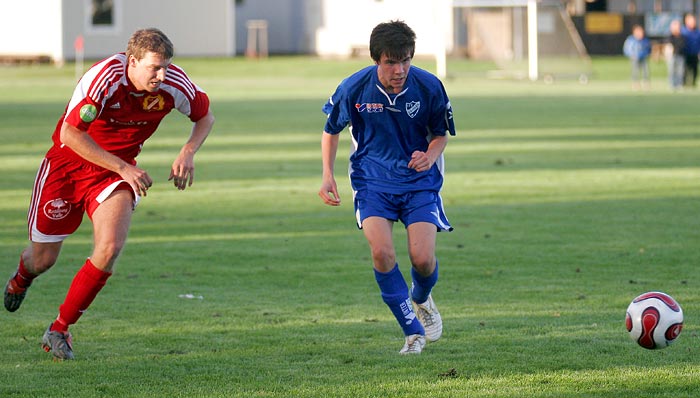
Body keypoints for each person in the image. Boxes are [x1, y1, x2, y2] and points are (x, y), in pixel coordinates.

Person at [3, 28, 215, 360]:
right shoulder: (104, 79)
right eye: (155, 68)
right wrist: (123, 167)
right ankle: (21, 277)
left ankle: (59, 329)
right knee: (43, 259)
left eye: (167, 67)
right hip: (66, 168)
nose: (162, 76)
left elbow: (205, 117)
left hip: (114, 176)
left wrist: (187, 152)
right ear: (132, 62)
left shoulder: (174, 84)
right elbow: (69, 134)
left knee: (110, 247)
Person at [318, 20, 455, 355]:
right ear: (376, 60)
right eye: (392, 62)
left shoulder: (428, 86)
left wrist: (429, 155)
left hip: (418, 181)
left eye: (406, 60)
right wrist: (327, 174)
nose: (400, 69)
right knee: (381, 252)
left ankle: (422, 298)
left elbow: (440, 135)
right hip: (372, 180)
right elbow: (330, 129)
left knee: (422, 259)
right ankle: (413, 333)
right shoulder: (354, 88)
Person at [622, 24, 651, 89]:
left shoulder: (645, 40)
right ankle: (635, 83)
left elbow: (648, 48)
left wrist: (647, 54)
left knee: (645, 70)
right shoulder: (631, 40)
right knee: (635, 71)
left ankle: (646, 83)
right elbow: (626, 49)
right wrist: (632, 55)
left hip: (643, 57)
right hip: (634, 58)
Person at [666, 19, 686, 91]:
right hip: (672, 56)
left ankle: (679, 84)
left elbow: (682, 46)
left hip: (680, 55)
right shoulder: (670, 36)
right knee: (672, 70)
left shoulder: (682, 37)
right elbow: (669, 45)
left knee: (680, 71)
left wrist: (676, 48)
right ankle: (672, 84)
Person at [681, 14, 700, 87]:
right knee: (684, 69)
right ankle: (684, 83)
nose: (693, 23)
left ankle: (693, 83)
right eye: (691, 21)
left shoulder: (698, 32)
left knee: (695, 69)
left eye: (694, 21)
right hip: (685, 54)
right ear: (686, 22)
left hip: (694, 53)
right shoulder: (683, 31)